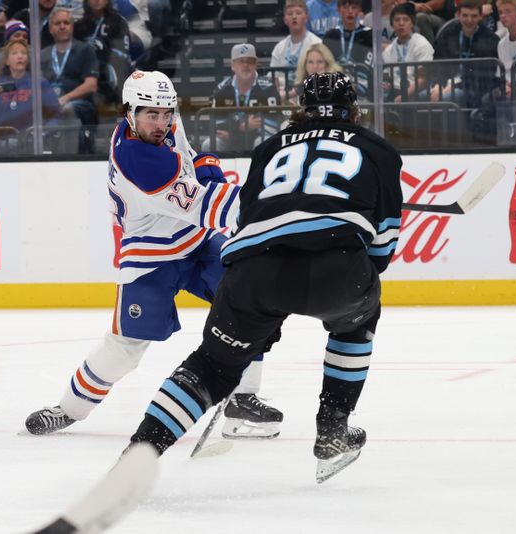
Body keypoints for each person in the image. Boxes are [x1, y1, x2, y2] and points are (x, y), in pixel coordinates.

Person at [126, 72, 403, 482]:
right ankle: (332, 431)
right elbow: (381, 252)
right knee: (359, 318)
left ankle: (137, 455)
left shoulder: (268, 149)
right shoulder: (380, 152)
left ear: (300, 110)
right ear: (355, 110)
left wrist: (266, 309)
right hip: (336, 268)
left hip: (254, 274)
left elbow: (244, 221)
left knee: (211, 367)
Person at [25, 70, 283, 440]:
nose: (162, 123)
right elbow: (205, 205)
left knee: (250, 301)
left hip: (195, 241)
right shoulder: (135, 159)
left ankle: (243, 397)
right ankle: (68, 409)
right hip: (150, 256)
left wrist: (208, 166)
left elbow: (192, 161)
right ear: (129, 112)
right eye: (152, 115)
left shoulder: (162, 121)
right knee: (125, 349)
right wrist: (279, 205)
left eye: (167, 113)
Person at [0, 38, 62, 149]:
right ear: (7, 61)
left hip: (29, 140)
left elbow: (56, 114)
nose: (20, 56)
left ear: (27, 59)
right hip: (2, 141)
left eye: (23, 53)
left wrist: (42, 134)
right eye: (15, 53)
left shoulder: (39, 83)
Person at [40, 7, 99, 153]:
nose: (62, 26)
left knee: (67, 109)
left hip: (80, 106)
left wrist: (65, 99)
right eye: (57, 23)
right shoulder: (43, 54)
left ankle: (70, 157)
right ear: (50, 29)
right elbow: (36, 85)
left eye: (66, 23)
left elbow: (91, 85)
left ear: (72, 27)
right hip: (49, 106)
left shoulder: (85, 50)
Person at [204, 43, 280, 152]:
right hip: (229, 140)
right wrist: (241, 126)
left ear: (255, 65)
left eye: (249, 61)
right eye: (241, 61)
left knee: (264, 141)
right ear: (232, 65)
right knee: (210, 143)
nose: (246, 65)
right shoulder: (221, 90)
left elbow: (273, 125)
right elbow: (216, 125)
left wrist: (233, 131)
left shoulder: (268, 89)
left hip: (257, 139)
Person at [432, 0, 500, 107]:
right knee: (423, 96)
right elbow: (438, 63)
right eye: (465, 15)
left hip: (473, 89)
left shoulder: (490, 39)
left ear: (481, 16)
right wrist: (438, 84)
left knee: (446, 99)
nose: (469, 20)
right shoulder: (448, 34)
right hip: (448, 85)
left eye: (474, 16)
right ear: (458, 15)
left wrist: (455, 86)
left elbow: (481, 76)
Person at [73, 0, 132, 105]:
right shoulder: (79, 25)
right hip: (86, 70)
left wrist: (101, 52)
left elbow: (122, 52)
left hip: (109, 67)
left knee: (118, 64)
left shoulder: (118, 22)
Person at [270, 0, 322, 103]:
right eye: (289, 14)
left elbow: (319, 78)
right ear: (285, 20)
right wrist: (278, 98)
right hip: (283, 99)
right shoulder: (279, 48)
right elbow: (274, 79)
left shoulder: (316, 44)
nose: (294, 17)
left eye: (298, 13)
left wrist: (292, 94)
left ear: (306, 18)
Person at [382, 3, 433, 103]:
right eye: (397, 20)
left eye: (405, 19)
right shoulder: (388, 51)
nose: (401, 23)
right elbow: (387, 78)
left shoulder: (421, 44)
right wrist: (385, 84)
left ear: (412, 23)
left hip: (415, 90)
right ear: (391, 24)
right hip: (395, 90)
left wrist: (403, 96)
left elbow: (423, 79)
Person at [323, 0, 373, 98]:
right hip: (335, 88)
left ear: (360, 10)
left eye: (354, 8)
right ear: (338, 10)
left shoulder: (369, 35)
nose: (350, 11)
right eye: (345, 7)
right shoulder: (331, 35)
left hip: (362, 89)